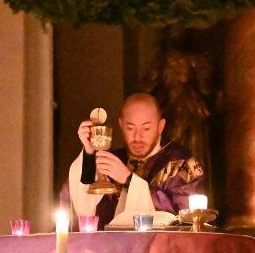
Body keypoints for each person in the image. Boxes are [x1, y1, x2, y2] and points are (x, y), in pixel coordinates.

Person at [66, 92, 206, 230]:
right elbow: (84, 208)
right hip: (110, 244)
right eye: (130, 128)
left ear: (160, 126)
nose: (137, 137)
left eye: (146, 128)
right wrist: (89, 153)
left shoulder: (183, 163)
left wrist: (129, 180)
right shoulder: (113, 160)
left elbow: (185, 220)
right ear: (121, 125)